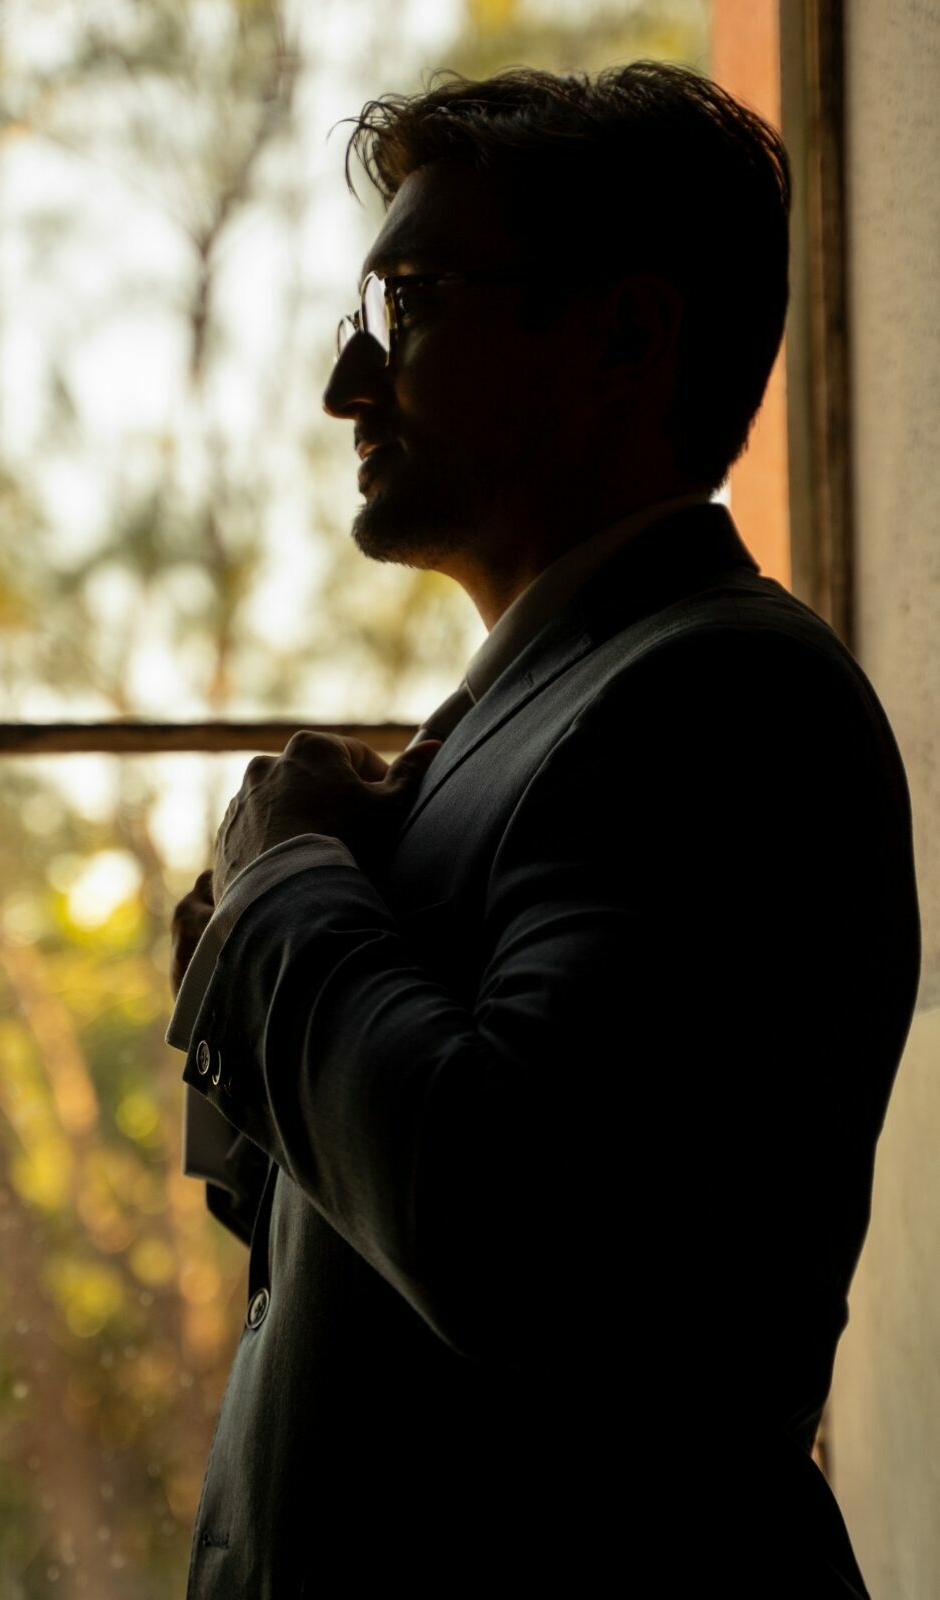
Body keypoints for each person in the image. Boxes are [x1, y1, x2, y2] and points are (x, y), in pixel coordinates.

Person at [167, 62, 919, 1599]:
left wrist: (288, 893)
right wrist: (249, 939)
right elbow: (353, 1257)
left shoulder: (725, 699)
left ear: (627, 337)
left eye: (412, 305)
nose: (346, 383)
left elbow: (513, 1238)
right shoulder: (537, 719)